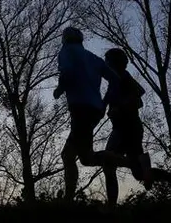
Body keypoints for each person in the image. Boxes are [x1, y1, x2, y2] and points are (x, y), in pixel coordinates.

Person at [53, 27, 136, 202]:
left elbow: (66, 72)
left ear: (64, 39)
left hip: (80, 109)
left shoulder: (66, 51)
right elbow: (115, 79)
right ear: (81, 40)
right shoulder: (93, 57)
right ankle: (134, 163)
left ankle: (134, 163)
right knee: (81, 157)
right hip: (94, 111)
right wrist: (104, 102)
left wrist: (59, 89)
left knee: (74, 156)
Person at [101, 48, 171, 207]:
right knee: (138, 174)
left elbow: (139, 98)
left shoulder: (122, 77)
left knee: (108, 161)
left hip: (125, 129)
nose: (105, 64)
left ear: (115, 63)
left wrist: (119, 107)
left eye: (107, 61)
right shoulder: (116, 80)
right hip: (130, 129)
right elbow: (107, 101)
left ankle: (111, 207)